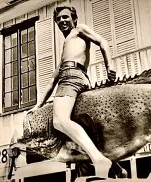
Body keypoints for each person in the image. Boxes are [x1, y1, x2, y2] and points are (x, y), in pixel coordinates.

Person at [28, 6, 116, 177]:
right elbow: (52, 81)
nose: (62, 21)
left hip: (71, 79)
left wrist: (109, 65)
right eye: (58, 19)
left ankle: (99, 159)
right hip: (77, 79)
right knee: (83, 131)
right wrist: (38, 105)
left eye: (65, 17)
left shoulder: (79, 30)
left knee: (59, 121)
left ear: (74, 19)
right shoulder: (66, 50)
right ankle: (116, 170)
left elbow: (103, 42)